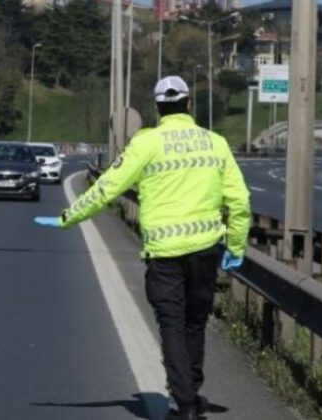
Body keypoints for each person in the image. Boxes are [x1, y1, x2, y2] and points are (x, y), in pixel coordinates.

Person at [34, 76, 251, 420]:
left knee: (171, 324)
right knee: (195, 323)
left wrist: (67, 217)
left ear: (157, 107)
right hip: (205, 250)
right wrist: (236, 245)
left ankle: (186, 403)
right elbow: (239, 200)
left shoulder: (146, 143)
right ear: (189, 104)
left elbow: (107, 187)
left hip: (164, 253)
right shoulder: (215, 143)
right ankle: (191, 392)